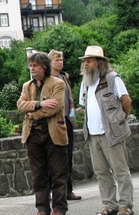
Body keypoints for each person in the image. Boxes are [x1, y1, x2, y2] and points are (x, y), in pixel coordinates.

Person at [77, 46, 134, 215]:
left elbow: (126, 100)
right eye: (84, 61)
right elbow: (83, 106)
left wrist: (121, 118)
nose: (85, 64)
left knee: (120, 170)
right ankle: (109, 204)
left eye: (89, 60)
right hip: (93, 135)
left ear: (99, 62)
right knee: (101, 172)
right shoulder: (85, 83)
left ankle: (125, 205)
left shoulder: (112, 78)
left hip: (112, 133)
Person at [17, 52, 68, 215]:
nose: (32, 68)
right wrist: (40, 104)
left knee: (58, 172)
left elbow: (55, 107)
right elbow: (21, 105)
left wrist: (34, 114)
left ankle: (59, 207)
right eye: (30, 65)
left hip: (53, 132)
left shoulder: (57, 83)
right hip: (33, 135)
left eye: (35, 65)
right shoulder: (27, 86)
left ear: (44, 66)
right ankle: (42, 207)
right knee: (38, 173)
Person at [48, 50, 82, 201]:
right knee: (53, 158)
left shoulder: (64, 77)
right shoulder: (48, 79)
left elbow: (70, 98)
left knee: (68, 156)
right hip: (54, 121)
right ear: (50, 62)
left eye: (61, 59)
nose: (60, 62)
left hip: (66, 119)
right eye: (56, 60)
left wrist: (73, 113)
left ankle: (68, 190)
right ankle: (53, 191)